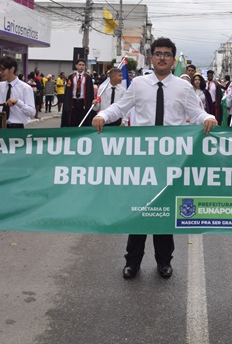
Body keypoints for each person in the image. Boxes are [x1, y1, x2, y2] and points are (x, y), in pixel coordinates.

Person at [92, 38, 216, 280]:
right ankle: (132, 261)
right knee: (138, 211)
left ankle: (164, 261)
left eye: (167, 54)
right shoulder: (139, 84)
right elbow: (120, 108)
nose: (162, 58)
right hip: (142, 160)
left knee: (164, 212)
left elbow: (197, 113)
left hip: (170, 161)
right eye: (158, 53)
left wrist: (208, 118)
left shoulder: (183, 88)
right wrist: (103, 116)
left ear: (173, 59)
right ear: (151, 57)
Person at [0, 56, 35, 129]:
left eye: (3, 70)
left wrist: (18, 102)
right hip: (0, 126)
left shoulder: (25, 88)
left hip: (17, 127)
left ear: (12, 69)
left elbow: (32, 113)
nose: (0, 73)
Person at [62, 59, 94, 127]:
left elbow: (90, 91)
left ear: (85, 66)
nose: (81, 66)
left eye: (83, 65)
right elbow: (68, 90)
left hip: (83, 101)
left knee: (83, 119)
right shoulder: (71, 77)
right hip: (73, 101)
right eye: (79, 65)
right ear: (76, 66)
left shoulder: (88, 78)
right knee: (72, 120)